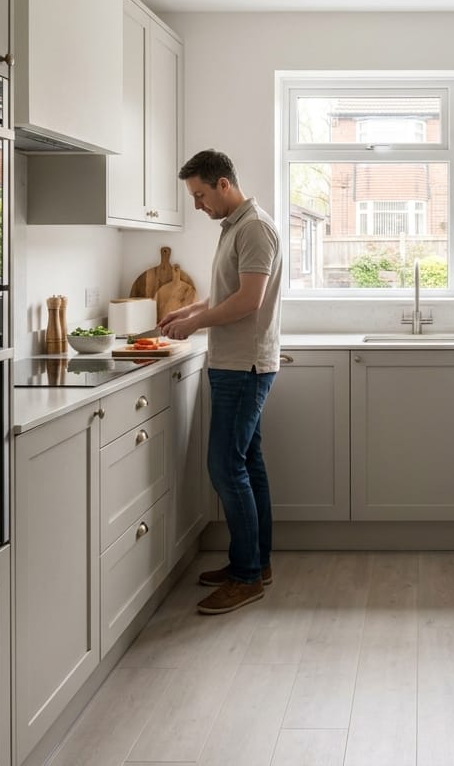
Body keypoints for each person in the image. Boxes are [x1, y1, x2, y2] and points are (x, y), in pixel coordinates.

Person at [158, 149, 282, 615]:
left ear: (223, 184)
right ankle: (254, 565)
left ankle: (247, 575)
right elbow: (231, 289)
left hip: (244, 366)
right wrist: (192, 310)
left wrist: (197, 325)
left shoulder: (254, 229)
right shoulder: (237, 227)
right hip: (237, 362)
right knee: (247, 465)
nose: (197, 205)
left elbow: (249, 301)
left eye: (200, 194)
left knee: (226, 468)